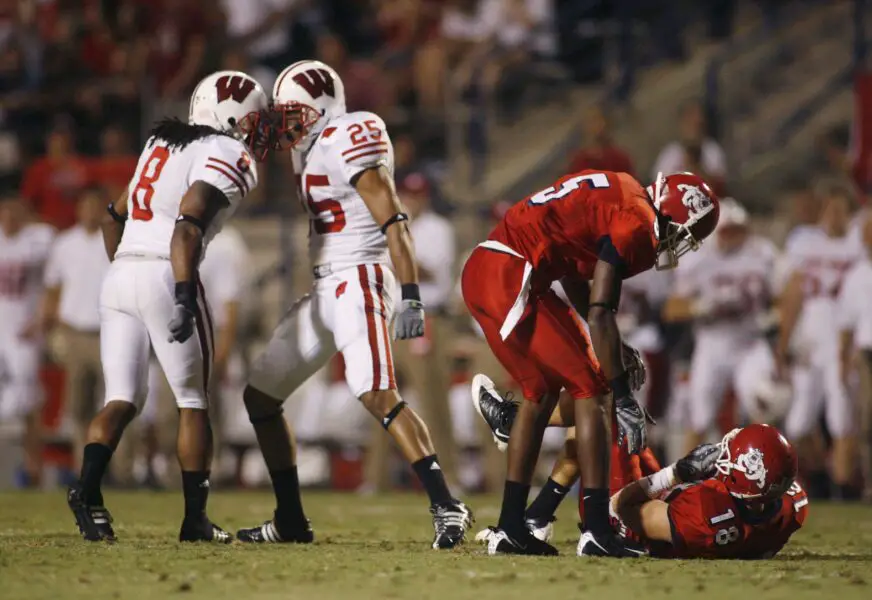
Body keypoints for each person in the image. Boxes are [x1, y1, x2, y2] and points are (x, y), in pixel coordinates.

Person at [235, 60, 472, 549]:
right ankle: (291, 521)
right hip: (326, 289)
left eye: (295, 112)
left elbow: (394, 221)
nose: (288, 123)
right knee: (260, 396)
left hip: (360, 278)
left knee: (377, 393)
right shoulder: (308, 148)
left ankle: (448, 505)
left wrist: (409, 295)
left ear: (322, 109)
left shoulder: (350, 132)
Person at [460, 169, 720, 556]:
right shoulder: (637, 223)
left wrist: (615, 348)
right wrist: (624, 395)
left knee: (542, 393)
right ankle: (597, 529)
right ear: (676, 212)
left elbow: (572, 274)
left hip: (502, 270)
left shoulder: (627, 194)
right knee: (595, 390)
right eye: (689, 233)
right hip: (509, 273)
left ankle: (512, 527)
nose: (683, 242)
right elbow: (599, 315)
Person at [66, 70, 269, 543]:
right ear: (232, 118)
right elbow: (188, 225)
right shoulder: (227, 150)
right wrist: (179, 293)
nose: (257, 131)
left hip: (121, 273)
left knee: (122, 399)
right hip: (166, 271)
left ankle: (88, 490)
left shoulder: (162, 142)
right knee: (193, 402)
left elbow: (112, 215)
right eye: (252, 120)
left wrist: (125, 271)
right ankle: (194, 519)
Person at [364, 172, 459, 492]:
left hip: (424, 318)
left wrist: (400, 255)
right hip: (392, 317)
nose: (412, 200)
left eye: (417, 195)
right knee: (382, 399)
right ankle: (375, 480)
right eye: (407, 193)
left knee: (433, 402)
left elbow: (430, 273)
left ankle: (450, 478)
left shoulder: (437, 229)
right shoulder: (389, 224)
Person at [661, 198, 779, 453]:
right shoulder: (699, 258)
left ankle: (772, 474)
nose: (734, 236)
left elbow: (782, 296)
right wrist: (699, 307)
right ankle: (679, 483)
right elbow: (671, 309)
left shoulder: (762, 253)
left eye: (738, 229)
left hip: (750, 341)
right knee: (699, 418)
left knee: (767, 406)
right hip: (711, 345)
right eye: (728, 230)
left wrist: (773, 317)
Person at [777, 183, 862, 499]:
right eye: (831, 209)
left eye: (842, 210)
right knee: (798, 421)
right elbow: (793, 294)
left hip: (842, 342)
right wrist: (783, 343)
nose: (836, 216)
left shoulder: (858, 245)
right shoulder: (805, 242)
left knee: (842, 417)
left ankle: (841, 488)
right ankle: (810, 480)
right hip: (810, 342)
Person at [612, 424, 807, 559]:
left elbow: (620, 506)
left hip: (629, 526)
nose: (726, 452)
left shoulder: (705, 512)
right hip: (712, 522)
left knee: (609, 431)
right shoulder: (793, 506)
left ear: (750, 474)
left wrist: (675, 473)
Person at [38, 189, 114, 479]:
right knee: (78, 406)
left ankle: (118, 470)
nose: (91, 212)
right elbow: (53, 287)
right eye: (86, 206)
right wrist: (51, 323)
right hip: (75, 332)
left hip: (108, 332)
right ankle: (85, 469)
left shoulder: (113, 240)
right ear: (78, 210)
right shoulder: (64, 244)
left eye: (96, 207)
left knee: (114, 404)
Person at [0, 194, 55, 487]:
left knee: (29, 400)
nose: (8, 218)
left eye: (14, 211)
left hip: (22, 331)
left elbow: (53, 280)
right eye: (4, 211)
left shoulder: (38, 239)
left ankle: (35, 466)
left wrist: (40, 320)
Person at [838, 213, 872, 500]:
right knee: (867, 419)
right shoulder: (856, 275)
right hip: (867, 352)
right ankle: (870, 484)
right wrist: (842, 358)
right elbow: (846, 325)